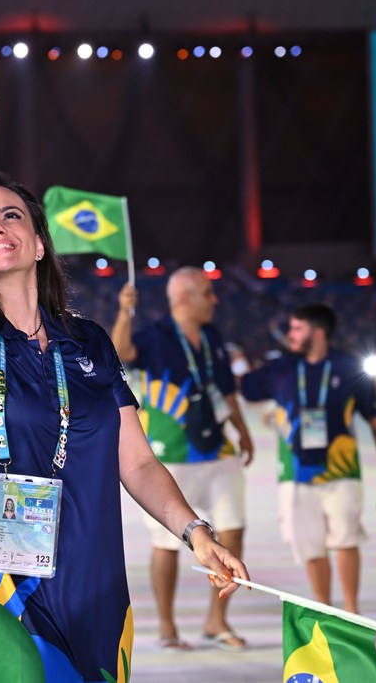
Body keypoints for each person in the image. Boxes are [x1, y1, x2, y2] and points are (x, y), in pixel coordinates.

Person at [0, 83, 246, 682]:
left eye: (10, 215)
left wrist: (196, 532)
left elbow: (139, 463)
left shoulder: (89, 341)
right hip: (0, 585)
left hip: (95, 585)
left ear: (39, 242)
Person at [110, 271, 254, 651]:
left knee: (233, 530)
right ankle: (168, 627)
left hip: (218, 450)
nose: (215, 299)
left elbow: (226, 390)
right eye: (209, 293)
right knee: (167, 541)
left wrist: (243, 430)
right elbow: (119, 353)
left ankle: (216, 621)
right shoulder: (155, 334)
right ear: (186, 297)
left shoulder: (213, 336)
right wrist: (125, 313)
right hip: (171, 451)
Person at [240, 303, 376, 614]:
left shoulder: (348, 366)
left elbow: (375, 416)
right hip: (294, 474)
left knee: (346, 539)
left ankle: (352, 612)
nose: (290, 335)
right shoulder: (282, 368)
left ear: (318, 332)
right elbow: (245, 389)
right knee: (309, 545)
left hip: (341, 470)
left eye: (297, 328)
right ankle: (326, 610)